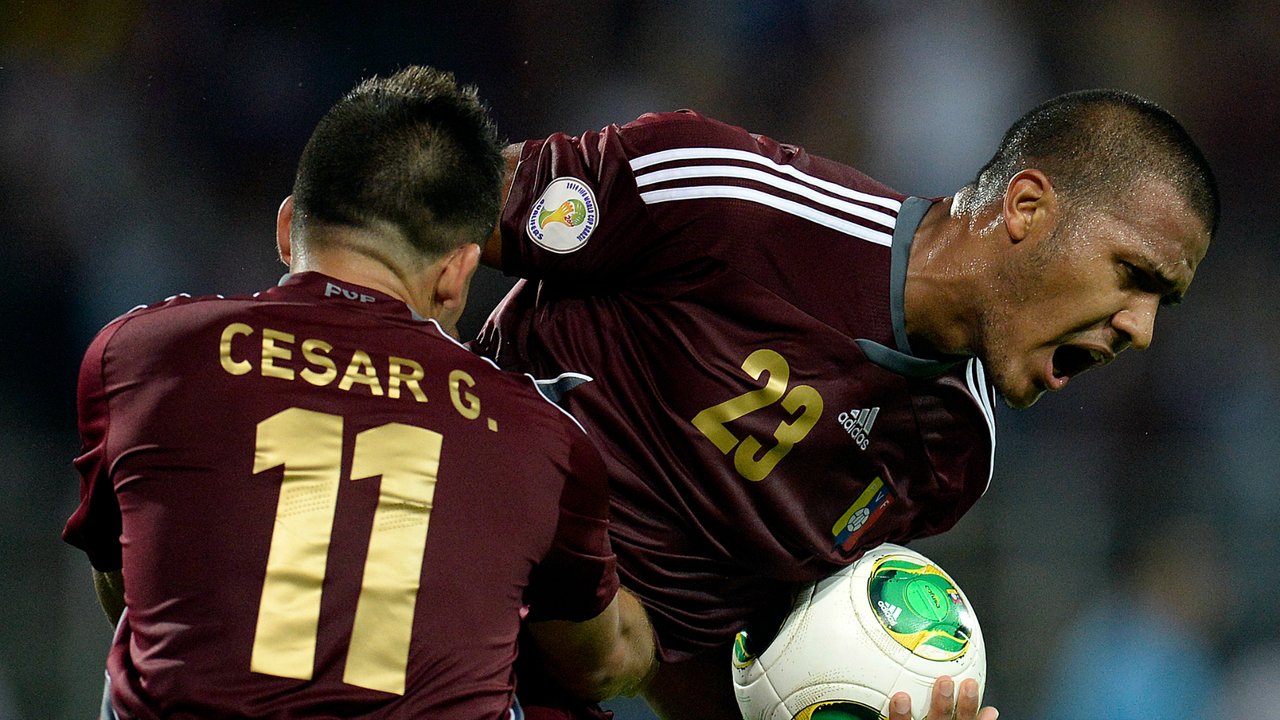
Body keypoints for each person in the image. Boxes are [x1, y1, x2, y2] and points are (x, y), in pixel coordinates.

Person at [473, 89, 1218, 720]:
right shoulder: (732, 198)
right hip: (403, 563)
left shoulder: (953, 455)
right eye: (1132, 274)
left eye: (1166, 302)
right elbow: (427, 218)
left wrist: (835, 701)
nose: (1142, 330)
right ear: (1026, 208)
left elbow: (672, 656)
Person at [62, 66, 656, 720]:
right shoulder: (538, 439)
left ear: (288, 229)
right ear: (457, 274)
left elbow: (128, 588)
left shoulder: (142, 356)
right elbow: (602, 661)